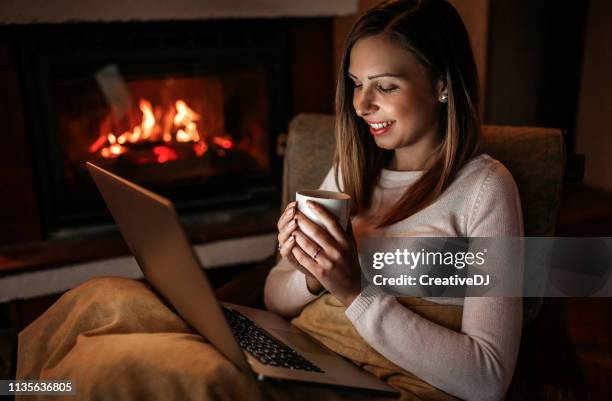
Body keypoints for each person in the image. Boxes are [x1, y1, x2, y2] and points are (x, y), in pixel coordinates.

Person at [265, 1, 523, 400]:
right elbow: (274, 294)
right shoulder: (349, 173)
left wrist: (354, 292)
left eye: (384, 86)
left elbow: (488, 378)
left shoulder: (484, 189)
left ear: (442, 85)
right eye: (356, 83)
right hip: (304, 361)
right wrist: (313, 276)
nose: (361, 105)